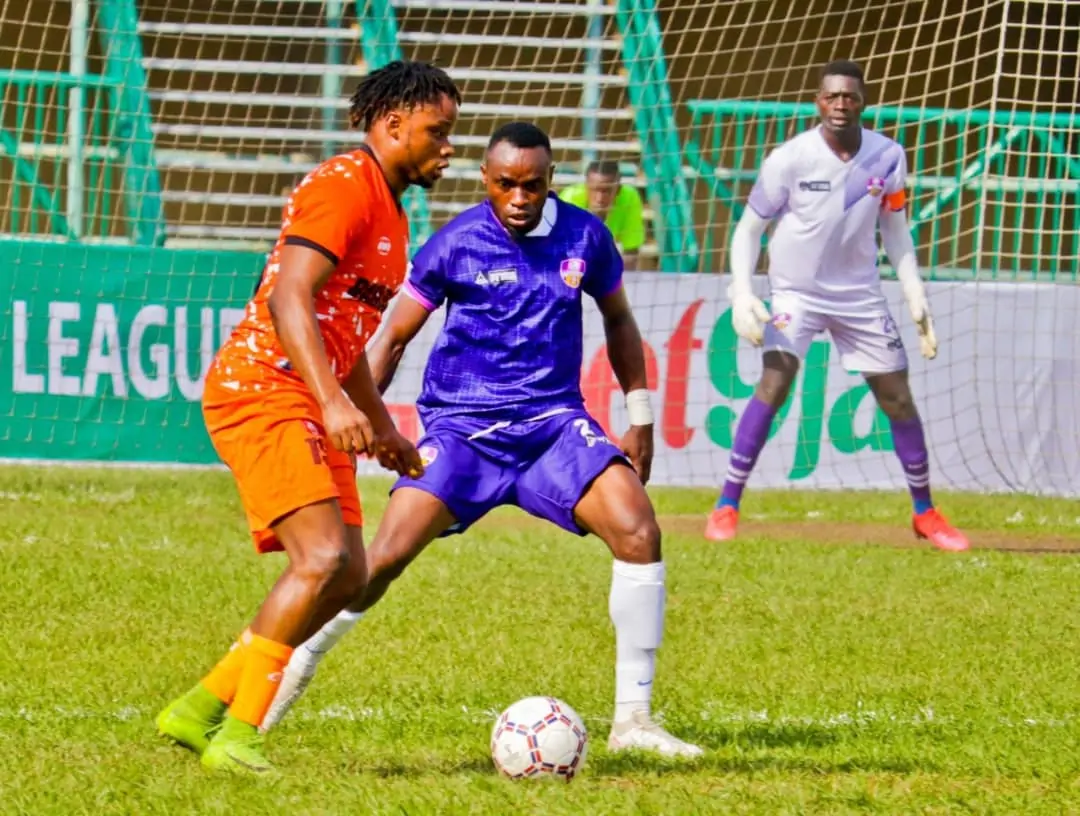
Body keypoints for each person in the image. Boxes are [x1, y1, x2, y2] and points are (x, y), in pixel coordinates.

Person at [261, 121, 703, 758]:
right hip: (463, 430)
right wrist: (358, 421)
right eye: (505, 185)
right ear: (486, 181)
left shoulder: (587, 236)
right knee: (381, 559)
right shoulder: (454, 243)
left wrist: (639, 415)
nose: (519, 198)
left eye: (532, 185)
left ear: (551, 181)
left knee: (639, 531)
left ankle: (634, 722)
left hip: (553, 427)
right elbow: (392, 338)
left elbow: (620, 320)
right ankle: (283, 679)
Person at [154, 60, 461, 775]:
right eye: (437, 132)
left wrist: (379, 425)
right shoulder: (343, 185)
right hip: (263, 388)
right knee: (320, 558)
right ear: (394, 126)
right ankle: (239, 735)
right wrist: (331, 403)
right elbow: (289, 296)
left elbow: (341, 333)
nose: (448, 148)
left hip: (309, 394)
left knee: (348, 574)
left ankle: (198, 710)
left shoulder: (392, 210)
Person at [704, 60, 968, 552]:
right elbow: (748, 230)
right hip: (795, 292)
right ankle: (727, 503)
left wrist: (914, 290)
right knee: (776, 379)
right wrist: (741, 292)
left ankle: (925, 512)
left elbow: (895, 228)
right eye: (832, 96)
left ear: (862, 102)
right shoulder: (790, 158)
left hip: (859, 295)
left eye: (849, 96)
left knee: (897, 397)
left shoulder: (887, 155)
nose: (840, 104)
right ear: (818, 102)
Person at [560, 160, 646, 270]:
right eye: (594, 190)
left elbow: (631, 252)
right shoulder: (570, 200)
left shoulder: (629, 199)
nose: (599, 198)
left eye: (606, 191)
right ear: (586, 187)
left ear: (618, 190)